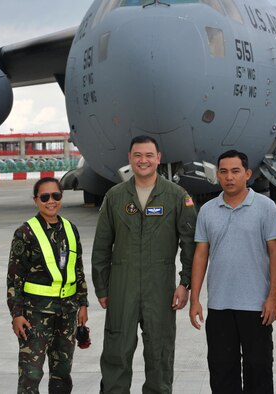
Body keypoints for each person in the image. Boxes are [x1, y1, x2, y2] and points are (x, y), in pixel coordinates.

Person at [91, 135, 197, 393]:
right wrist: (102, 289)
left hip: (160, 290)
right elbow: (102, 246)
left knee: (160, 355)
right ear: (129, 158)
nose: (143, 160)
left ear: (159, 158)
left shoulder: (176, 196)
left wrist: (185, 283)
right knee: (116, 353)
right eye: (138, 155)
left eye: (149, 155)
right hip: (122, 288)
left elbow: (190, 245)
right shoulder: (115, 197)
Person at [189, 150, 276, 394]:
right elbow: (200, 255)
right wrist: (195, 298)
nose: (229, 177)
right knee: (222, 374)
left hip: (257, 307)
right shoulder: (208, 210)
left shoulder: (266, 207)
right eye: (223, 172)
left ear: (247, 174)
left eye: (235, 171)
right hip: (219, 307)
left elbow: (275, 254)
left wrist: (274, 298)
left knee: (259, 373)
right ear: (217, 175)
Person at [7, 177, 88, 394]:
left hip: (67, 312)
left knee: (62, 373)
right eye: (45, 197)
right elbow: (14, 279)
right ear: (36, 200)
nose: (50, 201)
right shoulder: (25, 233)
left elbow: (77, 270)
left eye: (56, 196)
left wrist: (83, 304)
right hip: (35, 315)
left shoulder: (71, 229)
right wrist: (16, 314)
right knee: (31, 374)